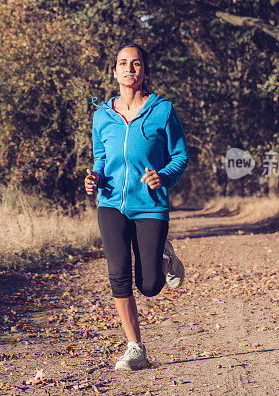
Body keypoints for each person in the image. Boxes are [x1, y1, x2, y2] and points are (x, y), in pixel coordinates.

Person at [84, 42, 189, 371]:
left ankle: (164, 256)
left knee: (149, 286)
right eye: (123, 64)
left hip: (150, 206)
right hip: (112, 203)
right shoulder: (102, 116)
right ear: (114, 71)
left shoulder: (163, 111)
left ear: (145, 71)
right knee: (117, 273)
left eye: (136, 64)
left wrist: (164, 176)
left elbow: (180, 156)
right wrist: (95, 179)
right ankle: (136, 348)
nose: (129, 69)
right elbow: (100, 160)